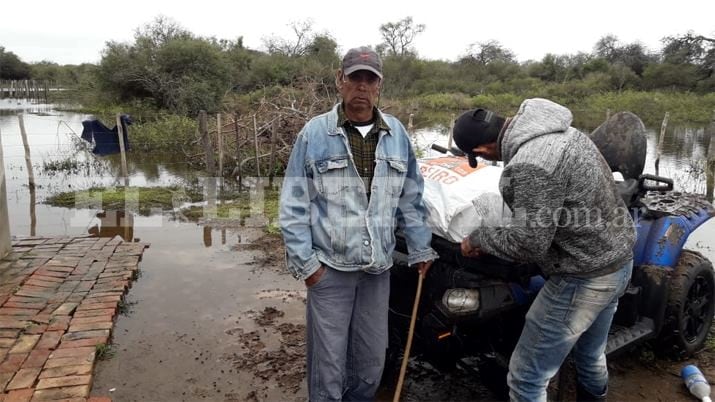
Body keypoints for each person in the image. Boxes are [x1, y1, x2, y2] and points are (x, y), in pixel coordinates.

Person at [279, 46, 437, 402]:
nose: (361, 87)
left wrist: (420, 246)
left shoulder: (397, 135)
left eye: (370, 79)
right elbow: (292, 204)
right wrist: (308, 266)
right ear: (340, 81)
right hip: (329, 270)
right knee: (328, 367)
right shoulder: (315, 134)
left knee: (369, 363)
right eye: (355, 78)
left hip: (377, 271)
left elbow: (411, 197)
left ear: (379, 86)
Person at [452, 98, 636, 402]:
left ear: (482, 150)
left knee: (526, 378)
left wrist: (479, 238)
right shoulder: (560, 131)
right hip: (619, 263)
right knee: (590, 356)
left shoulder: (530, 163)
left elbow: (530, 244)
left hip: (584, 277)